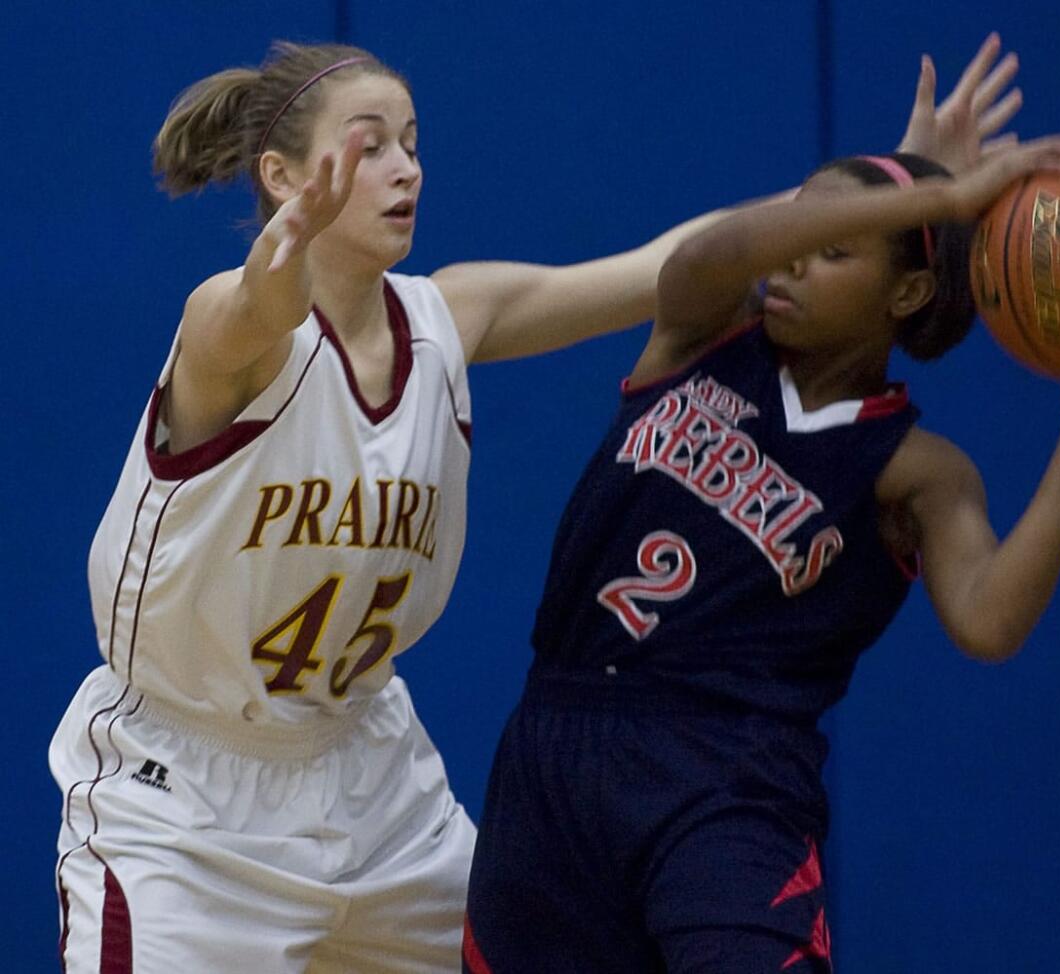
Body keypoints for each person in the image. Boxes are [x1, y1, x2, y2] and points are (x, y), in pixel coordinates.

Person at [48, 39, 794, 974]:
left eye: (412, 142)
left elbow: (668, 267)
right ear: (281, 176)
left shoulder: (448, 318)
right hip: (187, 806)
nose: (407, 168)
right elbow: (257, 308)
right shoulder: (229, 330)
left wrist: (878, 194)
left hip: (372, 785)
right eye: (371, 147)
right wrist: (279, 260)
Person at [461, 59, 1060, 974]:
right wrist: (917, 186)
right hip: (556, 747)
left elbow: (990, 620)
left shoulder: (916, 471)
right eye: (797, 229)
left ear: (907, 294)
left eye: (834, 248)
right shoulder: (701, 332)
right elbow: (712, 251)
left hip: (725, 783)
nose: (793, 255)